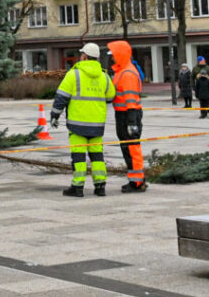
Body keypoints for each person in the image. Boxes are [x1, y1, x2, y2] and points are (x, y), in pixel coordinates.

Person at [50, 42, 115, 198]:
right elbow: (111, 96)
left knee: (78, 155)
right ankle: (100, 186)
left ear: (84, 56)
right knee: (97, 155)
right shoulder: (104, 76)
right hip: (97, 123)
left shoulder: (74, 74)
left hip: (77, 123)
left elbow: (61, 97)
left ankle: (77, 186)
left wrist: (54, 115)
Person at [108, 40, 145, 192]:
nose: (112, 58)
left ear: (121, 55)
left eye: (114, 55)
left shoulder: (127, 73)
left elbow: (131, 100)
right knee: (127, 148)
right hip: (123, 114)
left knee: (132, 148)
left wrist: (131, 122)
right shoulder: (121, 72)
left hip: (129, 115)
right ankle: (135, 179)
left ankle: (137, 182)